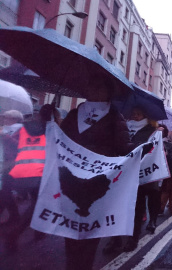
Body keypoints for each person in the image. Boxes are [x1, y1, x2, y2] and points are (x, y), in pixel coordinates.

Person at [60, 75, 132, 270]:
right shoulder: (74, 114)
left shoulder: (115, 117)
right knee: (70, 228)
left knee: (90, 231)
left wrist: (140, 149)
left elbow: (124, 149)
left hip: (97, 183)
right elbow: (61, 140)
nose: (94, 91)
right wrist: (52, 124)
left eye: (99, 87)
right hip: (70, 180)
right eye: (91, 86)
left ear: (108, 93)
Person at [103, 107, 158, 253]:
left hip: (137, 176)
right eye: (133, 113)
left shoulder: (151, 131)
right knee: (116, 207)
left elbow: (148, 150)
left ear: (145, 115)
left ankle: (133, 238)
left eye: (138, 114)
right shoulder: (124, 127)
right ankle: (115, 239)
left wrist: (130, 149)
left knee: (136, 208)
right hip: (119, 174)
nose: (135, 116)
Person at [4, 104, 55, 252]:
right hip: (40, 172)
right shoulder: (51, 131)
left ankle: (40, 232)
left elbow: (12, 144)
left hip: (20, 170)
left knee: (38, 202)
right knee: (38, 205)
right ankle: (14, 233)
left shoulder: (23, 128)